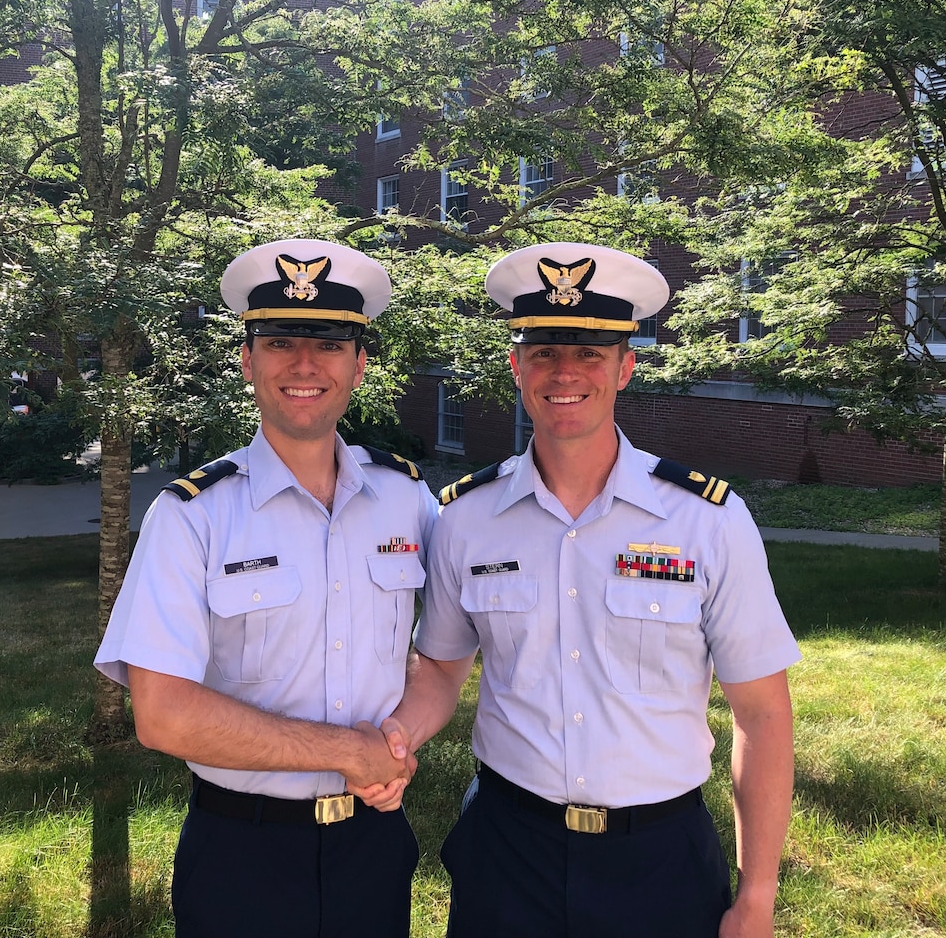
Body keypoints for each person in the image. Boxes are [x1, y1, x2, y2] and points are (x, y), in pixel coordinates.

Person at [389, 242, 800, 938]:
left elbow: (763, 715)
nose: (566, 372)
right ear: (517, 367)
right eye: (544, 351)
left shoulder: (706, 520)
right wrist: (391, 740)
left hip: (660, 862)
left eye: (590, 351)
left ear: (626, 366)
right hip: (507, 850)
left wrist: (756, 892)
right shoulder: (466, 519)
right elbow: (439, 671)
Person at [94, 238, 437, 938]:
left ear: (359, 364)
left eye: (331, 343)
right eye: (280, 341)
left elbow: (448, 644)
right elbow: (162, 716)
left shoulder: (407, 500)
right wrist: (348, 750)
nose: (305, 364)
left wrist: (401, 737)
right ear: (247, 361)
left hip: (374, 845)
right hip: (241, 856)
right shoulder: (192, 514)